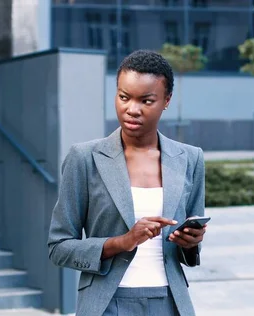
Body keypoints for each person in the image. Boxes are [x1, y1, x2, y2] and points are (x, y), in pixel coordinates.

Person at [47, 49, 206, 316]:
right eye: (124, 97)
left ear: (166, 101)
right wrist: (122, 242)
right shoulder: (85, 158)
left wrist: (191, 242)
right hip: (108, 303)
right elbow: (59, 247)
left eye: (146, 100)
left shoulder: (190, 158)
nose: (132, 109)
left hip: (170, 302)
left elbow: (190, 245)